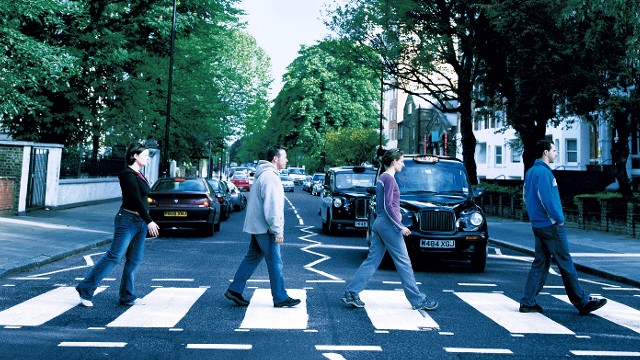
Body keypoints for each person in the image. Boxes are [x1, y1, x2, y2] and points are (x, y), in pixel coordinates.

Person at [342, 149, 438, 311]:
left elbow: (385, 206)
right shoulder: (390, 179)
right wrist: (400, 226)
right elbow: (388, 205)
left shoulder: (382, 178)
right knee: (404, 263)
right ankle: (418, 300)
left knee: (372, 261)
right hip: (389, 225)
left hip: (380, 223)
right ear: (394, 162)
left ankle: (351, 292)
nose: (403, 164)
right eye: (401, 161)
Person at [519, 140, 606, 315]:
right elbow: (547, 199)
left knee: (540, 263)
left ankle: (528, 301)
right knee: (565, 262)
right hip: (550, 225)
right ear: (545, 152)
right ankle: (582, 301)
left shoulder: (530, 172)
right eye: (554, 150)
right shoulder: (544, 174)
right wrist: (558, 218)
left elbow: (525, 197)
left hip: (538, 224)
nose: (556, 153)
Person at [75, 142, 160, 307]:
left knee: (134, 260)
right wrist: (149, 220)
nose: (147, 159)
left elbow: (143, 198)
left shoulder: (139, 174)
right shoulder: (127, 174)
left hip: (140, 221)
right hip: (127, 220)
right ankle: (85, 288)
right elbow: (135, 198)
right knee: (114, 256)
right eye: (145, 155)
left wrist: (146, 219)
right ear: (135, 156)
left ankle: (127, 296)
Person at [224, 146, 301, 308]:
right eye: (284, 157)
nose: (286, 160)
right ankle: (280, 297)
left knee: (251, 258)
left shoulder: (263, 174)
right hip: (266, 228)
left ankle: (234, 289)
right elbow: (272, 206)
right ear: (275, 159)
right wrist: (277, 229)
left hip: (257, 226)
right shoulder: (270, 177)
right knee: (275, 263)